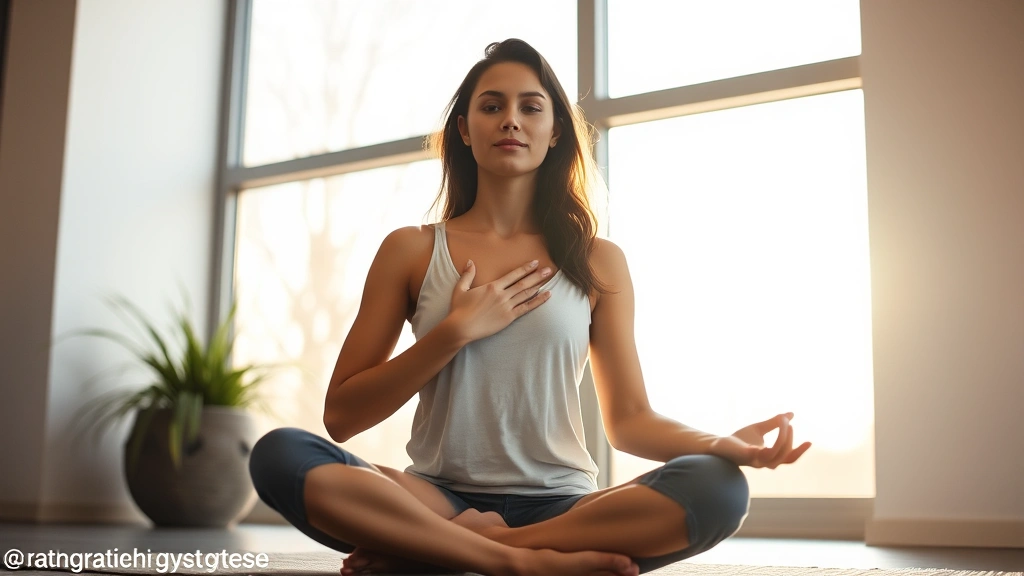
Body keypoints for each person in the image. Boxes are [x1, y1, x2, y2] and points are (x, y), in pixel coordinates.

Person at [248, 38, 811, 576]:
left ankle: (452, 552)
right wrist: (453, 333)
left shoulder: (599, 261)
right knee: (280, 454)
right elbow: (342, 418)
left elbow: (630, 421)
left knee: (719, 489)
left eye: (530, 107)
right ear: (465, 131)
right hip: (433, 498)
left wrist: (720, 444)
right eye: (491, 107)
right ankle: (516, 563)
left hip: (562, 507)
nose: (510, 119)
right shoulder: (411, 250)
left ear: (554, 131)